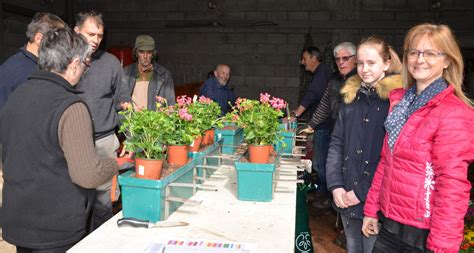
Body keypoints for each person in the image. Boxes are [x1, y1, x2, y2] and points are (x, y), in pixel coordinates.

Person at [0, 28, 119, 253]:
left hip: (19, 221)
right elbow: (87, 174)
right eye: (86, 63)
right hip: (55, 229)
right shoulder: (71, 107)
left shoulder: (18, 95)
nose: (85, 70)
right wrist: (115, 165)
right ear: (74, 64)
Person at [362, 24, 474, 253]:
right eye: (414, 52)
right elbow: (386, 161)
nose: (420, 59)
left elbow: (452, 184)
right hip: (391, 225)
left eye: (431, 53)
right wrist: (371, 210)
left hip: (424, 234)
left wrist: (442, 246)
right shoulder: (401, 103)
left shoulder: (453, 112)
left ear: (447, 61)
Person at [326, 36, 403, 253]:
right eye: (360, 63)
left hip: (374, 199)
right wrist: (336, 185)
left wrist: (359, 192)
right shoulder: (350, 98)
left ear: (386, 64)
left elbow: (389, 157)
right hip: (345, 195)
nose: (364, 69)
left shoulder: (395, 103)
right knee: (353, 247)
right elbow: (337, 143)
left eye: (371, 63)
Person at [73, 10, 131, 231]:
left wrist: (131, 139)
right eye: (90, 34)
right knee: (76, 204)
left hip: (104, 143)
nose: (95, 40)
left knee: (104, 205)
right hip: (73, 144)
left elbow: (123, 103)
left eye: (99, 35)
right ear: (76, 31)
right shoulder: (64, 61)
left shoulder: (111, 63)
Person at [299, 43, 356, 209]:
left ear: (355, 59)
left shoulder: (360, 80)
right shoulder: (334, 79)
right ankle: (331, 198)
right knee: (329, 165)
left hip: (353, 135)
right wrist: (311, 125)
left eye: (345, 58)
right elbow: (324, 104)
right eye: (338, 59)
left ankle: (341, 209)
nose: (341, 62)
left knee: (347, 171)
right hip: (334, 130)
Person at [0, 12, 65, 109]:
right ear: (39, 38)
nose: (61, 46)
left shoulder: (24, 65)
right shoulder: (24, 72)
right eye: (56, 40)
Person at [123, 35, 175, 110]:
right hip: (130, 120)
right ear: (136, 53)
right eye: (141, 52)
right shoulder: (125, 73)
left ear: (153, 54)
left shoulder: (164, 75)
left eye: (149, 52)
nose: (145, 56)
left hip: (154, 120)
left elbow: (171, 105)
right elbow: (119, 102)